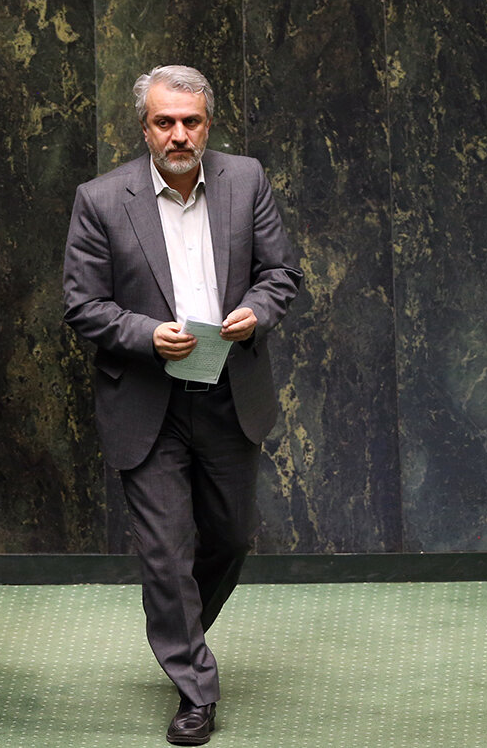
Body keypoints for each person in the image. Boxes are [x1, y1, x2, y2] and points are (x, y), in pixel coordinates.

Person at [62, 65, 302, 745]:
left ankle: (179, 629)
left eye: (190, 121)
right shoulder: (101, 200)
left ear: (208, 124)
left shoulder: (245, 180)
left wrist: (256, 312)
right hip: (149, 400)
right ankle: (196, 690)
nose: (178, 134)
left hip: (229, 392)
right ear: (144, 128)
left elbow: (280, 272)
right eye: (164, 122)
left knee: (231, 539)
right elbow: (83, 305)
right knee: (166, 555)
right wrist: (146, 335)